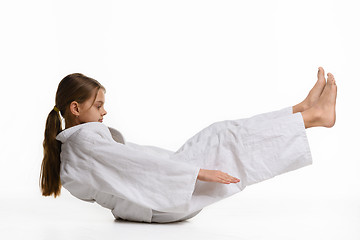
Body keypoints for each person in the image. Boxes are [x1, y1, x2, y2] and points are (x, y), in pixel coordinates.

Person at [40, 67, 337, 223]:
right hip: (160, 202)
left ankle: (301, 112)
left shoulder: (77, 146)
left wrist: (188, 170)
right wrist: (197, 172)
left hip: (154, 199)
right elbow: (136, 164)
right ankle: (310, 116)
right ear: (76, 108)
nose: (104, 112)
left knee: (221, 133)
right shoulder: (85, 144)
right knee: (224, 137)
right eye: (99, 105)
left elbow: (126, 167)